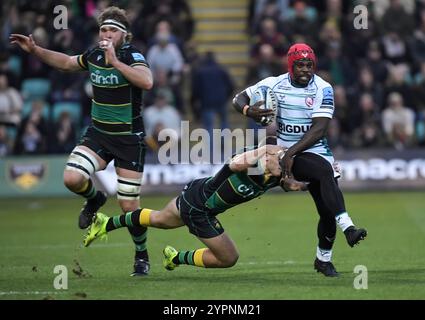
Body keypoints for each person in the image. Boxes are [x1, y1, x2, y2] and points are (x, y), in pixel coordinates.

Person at [10, 7, 153, 276]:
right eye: (103, 30)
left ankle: (141, 254)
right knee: (72, 179)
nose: (107, 34)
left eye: (112, 30)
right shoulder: (94, 55)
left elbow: (147, 82)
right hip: (98, 133)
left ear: (125, 35)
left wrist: (116, 62)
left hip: (128, 139)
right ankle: (95, 198)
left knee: (128, 206)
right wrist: (36, 50)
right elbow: (65, 63)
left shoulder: (132, 56)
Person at [232, 43, 367, 277]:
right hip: (282, 150)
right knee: (324, 173)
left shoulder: (323, 88)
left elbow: (319, 129)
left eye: (309, 65)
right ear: (290, 65)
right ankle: (349, 228)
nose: (305, 69)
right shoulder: (274, 83)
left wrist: (291, 153)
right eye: (300, 65)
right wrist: (248, 111)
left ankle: (323, 261)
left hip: (311, 149)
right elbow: (238, 98)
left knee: (326, 212)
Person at [83, 144, 308, 270]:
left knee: (159, 219)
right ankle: (177, 258)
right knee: (229, 258)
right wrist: (263, 151)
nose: (283, 163)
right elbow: (235, 163)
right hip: (199, 208)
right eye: (278, 159)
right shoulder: (251, 165)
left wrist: (312, 181)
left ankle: (106, 223)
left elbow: (290, 182)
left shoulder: (276, 174)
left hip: (195, 192)